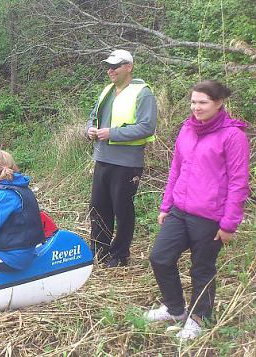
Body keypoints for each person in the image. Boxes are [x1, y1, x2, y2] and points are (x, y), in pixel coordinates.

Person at [144, 80, 249, 340]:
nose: (196, 107)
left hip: (210, 216)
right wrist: (166, 205)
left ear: (218, 103)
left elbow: (239, 182)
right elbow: (176, 170)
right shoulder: (187, 129)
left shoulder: (233, 136)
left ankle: (198, 317)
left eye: (202, 102)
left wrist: (228, 224)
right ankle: (175, 309)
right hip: (180, 209)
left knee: (201, 268)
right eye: (193, 102)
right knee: (160, 257)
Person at [86, 49, 158, 267]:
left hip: (127, 164)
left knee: (122, 210)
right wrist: (89, 129)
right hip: (103, 159)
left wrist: (112, 133)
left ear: (129, 67)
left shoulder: (142, 92)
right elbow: (92, 118)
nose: (111, 70)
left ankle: (120, 255)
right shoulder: (106, 91)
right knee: (98, 207)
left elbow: (147, 127)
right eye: (109, 66)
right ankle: (99, 251)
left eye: (115, 66)